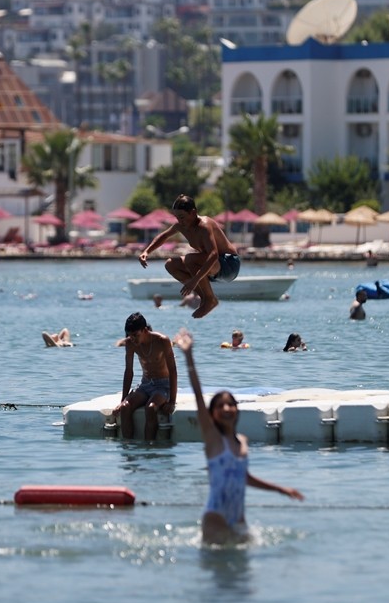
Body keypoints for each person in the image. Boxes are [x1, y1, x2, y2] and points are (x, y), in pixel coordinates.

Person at [172, 328, 303, 544]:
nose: (226, 408)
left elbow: (243, 477)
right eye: (220, 405)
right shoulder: (213, 439)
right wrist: (188, 356)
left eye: (230, 404)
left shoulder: (242, 441)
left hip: (239, 520)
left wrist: (281, 489)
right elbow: (197, 396)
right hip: (216, 520)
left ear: (237, 410)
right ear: (213, 414)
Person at [137, 194, 239, 319]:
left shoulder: (204, 225)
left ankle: (210, 299)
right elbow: (164, 236)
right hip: (212, 268)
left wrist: (195, 280)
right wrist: (146, 251)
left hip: (228, 264)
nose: (180, 221)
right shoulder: (181, 226)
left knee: (190, 259)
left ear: (193, 212)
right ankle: (205, 298)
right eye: (177, 217)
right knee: (170, 264)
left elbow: (213, 255)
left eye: (182, 217)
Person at [115, 312, 177, 441]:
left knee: (150, 408)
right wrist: (123, 399)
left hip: (163, 385)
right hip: (145, 384)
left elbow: (173, 370)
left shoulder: (162, 341)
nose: (133, 339)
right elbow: (129, 371)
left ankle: (149, 447)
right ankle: (128, 448)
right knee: (126, 407)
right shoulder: (130, 343)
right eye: (130, 336)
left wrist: (172, 401)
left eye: (136, 335)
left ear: (145, 330)